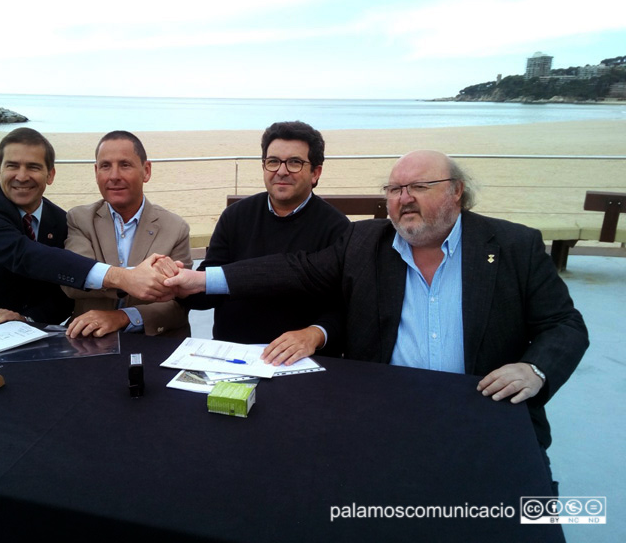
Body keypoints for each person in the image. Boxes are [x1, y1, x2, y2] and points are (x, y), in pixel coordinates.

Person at [166, 150, 588, 459]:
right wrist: (201, 279)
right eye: (394, 189)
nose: (404, 198)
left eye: (419, 187)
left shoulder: (513, 245)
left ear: (456, 192)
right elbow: (296, 269)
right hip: (385, 415)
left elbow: (564, 325)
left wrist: (535, 369)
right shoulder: (366, 242)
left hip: (483, 414)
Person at [0, 127, 175, 325]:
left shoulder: (59, 220)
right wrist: (124, 277)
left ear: (50, 175)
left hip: (23, 335)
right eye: (12, 166)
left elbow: (62, 290)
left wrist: (26, 319)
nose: (22, 176)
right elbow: (26, 255)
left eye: (33, 167)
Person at [183, 121, 349, 357]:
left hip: (299, 360)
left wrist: (315, 334)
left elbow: (343, 306)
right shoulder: (235, 216)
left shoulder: (336, 227)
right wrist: (178, 283)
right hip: (231, 353)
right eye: (273, 161)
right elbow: (204, 293)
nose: (281, 171)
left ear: (316, 173)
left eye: (294, 162)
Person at [62, 131, 192, 338]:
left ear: (146, 170)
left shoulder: (175, 228)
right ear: (96, 172)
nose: (114, 176)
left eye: (125, 165)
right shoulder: (79, 220)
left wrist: (123, 316)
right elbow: (73, 281)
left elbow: (177, 305)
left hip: (152, 342)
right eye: (105, 166)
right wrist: (133, 278)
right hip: (90, 341)